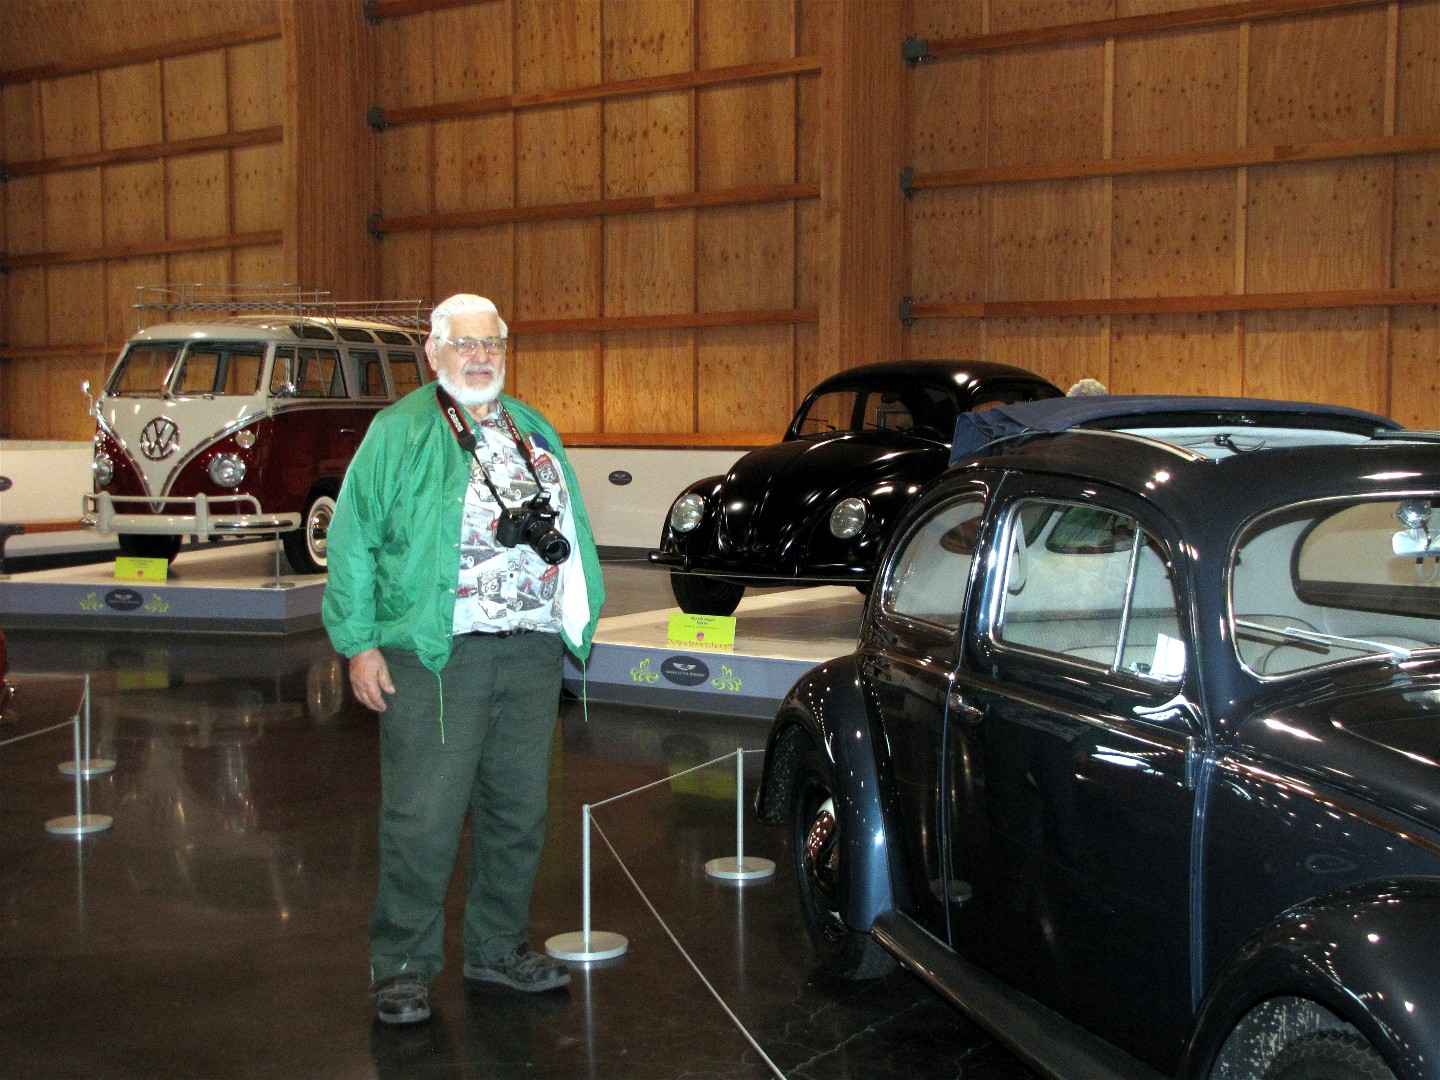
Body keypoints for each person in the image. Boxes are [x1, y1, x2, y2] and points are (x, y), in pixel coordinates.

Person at [323, 294, 605, 1026]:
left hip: (531, 652)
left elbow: (571, 525)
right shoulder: (400, 431)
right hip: (436, 655)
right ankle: (402, 965)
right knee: (423, 817)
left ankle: (497, 947)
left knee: (519, 812)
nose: (479, 357)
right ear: (434, 352)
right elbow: (352, 538)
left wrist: (574, 617)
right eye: (464, 344)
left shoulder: (532, 427)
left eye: (491, 344)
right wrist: (359, 642)